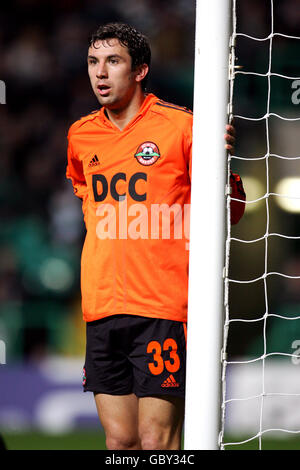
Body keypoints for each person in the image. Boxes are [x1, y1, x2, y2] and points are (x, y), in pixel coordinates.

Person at [66, 22, 245, 450]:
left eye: (113, 62)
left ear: (140, 70)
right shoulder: (80, 135)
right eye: (93, 62)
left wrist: (226, 172)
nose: (100, 73)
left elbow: (231, 212)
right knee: (120, 441)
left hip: (162, 305)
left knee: (155, 440)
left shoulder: (183, 127)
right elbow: (86, 198)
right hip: (102, 304)